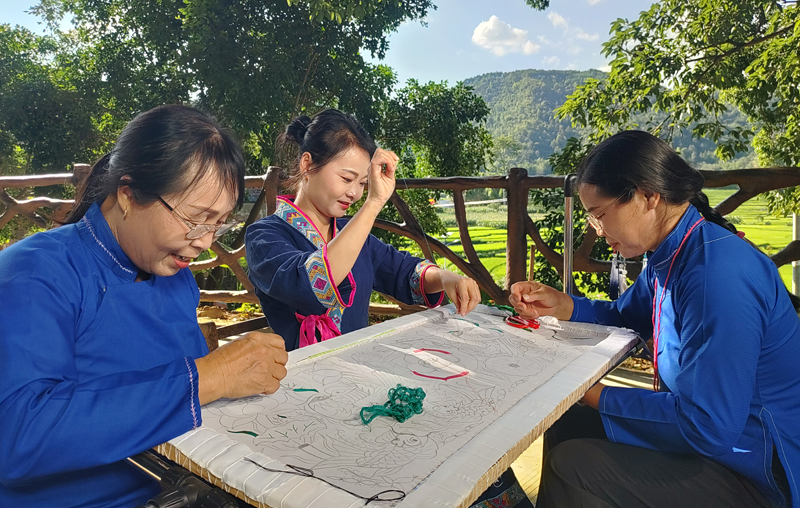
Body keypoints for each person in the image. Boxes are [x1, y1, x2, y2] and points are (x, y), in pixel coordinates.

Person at [0, 105, 289, 507]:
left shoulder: (176, 278)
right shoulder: (38, 271)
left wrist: (228, 377)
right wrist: (208, 378)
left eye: (219, 223)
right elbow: (18, 434)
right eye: (196, 219)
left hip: (184, 488)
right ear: (128, 196)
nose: (206, 241)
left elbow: (190, 397)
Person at [510, 130, 799, 508]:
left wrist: (588, 394)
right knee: (569, 424)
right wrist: (562, 305)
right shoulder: (671, 253)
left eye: (599, 215)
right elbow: (624, 315)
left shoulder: (716, 276)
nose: (597, 231)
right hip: (719, 442)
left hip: (755, 470)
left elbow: (708, 426)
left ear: (648, 196)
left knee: (575, 466)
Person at [245, 109, 482, 351]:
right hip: (298, 379)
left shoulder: (352, 233)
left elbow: (403, 271)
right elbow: (309, 284)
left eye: (362, 184)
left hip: (357, 368)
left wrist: (445, 277)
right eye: (347, 179)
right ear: (307, 164)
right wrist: (373, 203)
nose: (355, 194)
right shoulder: (263, 237)